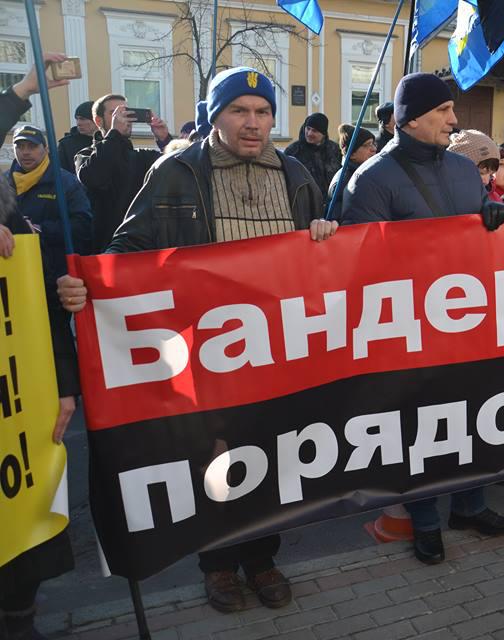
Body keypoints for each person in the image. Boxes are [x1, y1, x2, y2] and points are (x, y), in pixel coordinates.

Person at [57, 66, 339, 614]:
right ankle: (218, 566)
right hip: (205, 353)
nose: (253, 123)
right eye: (239, 111)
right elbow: (130, 244)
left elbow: (321, 261)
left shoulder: (298, 173)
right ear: (216, 114)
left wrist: (325, 237)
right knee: (215, 462)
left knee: (273, 457)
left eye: (262, 113)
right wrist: (87, 284)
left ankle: (262, 558)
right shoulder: (177, 172)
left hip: (279, 350)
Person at [341, 72, 504, 565]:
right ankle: (425, 522)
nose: (453, 120)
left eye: (451, 110)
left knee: (473, 419)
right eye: (442, 112)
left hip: (469, 324)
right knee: (422, 430)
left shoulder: (462, 171)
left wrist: (494, 216)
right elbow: (358, 263)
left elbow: (480, 218)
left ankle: (470, 505)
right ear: (410, 118)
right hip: (410, 332)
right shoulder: (371, 178)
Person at [0, 51, 78, 640]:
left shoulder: (21, 218)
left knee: (23, 523)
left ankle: (20, 617)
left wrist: (65, 386)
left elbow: (44, 310)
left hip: (22, 399)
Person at [76, 92, 174, 251]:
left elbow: (176, 168)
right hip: (105, 248)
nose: (123, 117)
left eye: (126, 112)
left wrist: (165, 140)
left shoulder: (140, 156)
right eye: (114, 113)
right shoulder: (85, 156)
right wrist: (114, 133)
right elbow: (94, 177)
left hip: (141, 246)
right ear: (98, 120)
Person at [7, 125, 93, 275]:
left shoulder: (66, 183)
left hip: (53, 274)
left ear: (46, 149)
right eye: (20, 147)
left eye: (32, 146)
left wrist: (39, 229)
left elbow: (82, 226)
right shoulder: (3, 182)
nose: (26, 152)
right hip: (12, 269)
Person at [447, 129, 504, 213]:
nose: (486, 181)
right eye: (480, 173)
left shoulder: (492, 196)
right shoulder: (446, 199)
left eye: (490, 175)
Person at [326, 123, 378, 221]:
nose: (374, 149)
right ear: (352, 154)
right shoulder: (343, 182)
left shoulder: (367, 174)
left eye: (373, 144)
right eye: (367, 145)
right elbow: (335, 220)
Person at [284, 112, 342, 198]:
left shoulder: (335, 150)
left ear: (323, 134)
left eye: (314, 131)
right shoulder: (293, 151)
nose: (309, 133)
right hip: (305, 203)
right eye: (308, 128)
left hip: (331, 203)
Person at [56, 100, 95, 175]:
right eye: (77, 119)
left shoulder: (107, 140)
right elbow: (61, 172)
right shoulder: (66, 144)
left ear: (96, 119)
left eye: (83, 119)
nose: (78, 123)